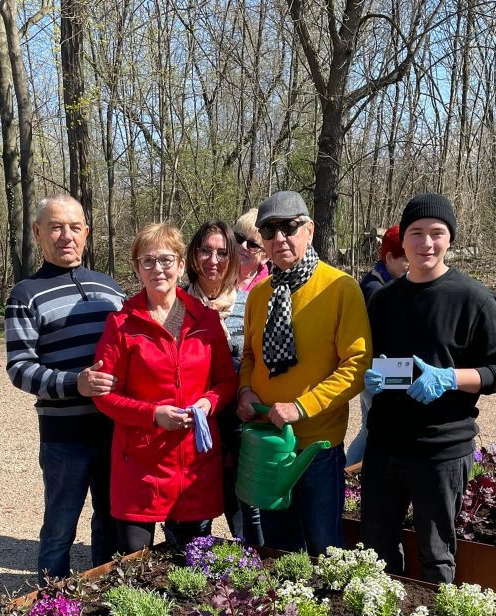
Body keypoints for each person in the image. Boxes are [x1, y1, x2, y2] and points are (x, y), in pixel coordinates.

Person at [361, 193, 496, 583]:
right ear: (402, 240)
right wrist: (370, 375)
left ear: (450, 239)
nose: (426, 243)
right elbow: (371, 357)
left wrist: (450, 378)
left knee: (436, 554)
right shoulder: (383, 301)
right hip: (384, 445)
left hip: (441, 450)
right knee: (376, 551)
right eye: (416, 233)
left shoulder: (473, 299)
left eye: (437, 233)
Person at [237, 190, 371, 555]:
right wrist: (246, 390)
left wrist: (301, 407)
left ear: (309, 230)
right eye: (269, 231)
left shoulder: (339, 287)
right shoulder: (259, 294)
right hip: (269, 442)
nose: (279, 237)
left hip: (315, 448)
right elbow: (249, 356)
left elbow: (357, 365)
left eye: (289, 227)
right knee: (279, 552)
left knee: (325, 551)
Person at [93, 223, 237, 553]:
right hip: (139, 463)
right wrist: (153, 414)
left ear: (182, 265)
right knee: (134, 562)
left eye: (166, 260)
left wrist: (209, 403)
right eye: (148, 261)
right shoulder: (121, 325)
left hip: (194, 463)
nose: (158, 269)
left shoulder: (206, 321)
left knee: (191, 562)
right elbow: (105, 396)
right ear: (137, 269)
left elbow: (228, 381)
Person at [5, 194, 124, 584]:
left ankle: (106, 591)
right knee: (60, 528)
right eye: (55, 227)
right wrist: (76, 383)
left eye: (74, 227)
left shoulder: (111, 289)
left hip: (114, 430)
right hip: (64, 435)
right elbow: (20, 368)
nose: (66, 236)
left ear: (86, 233)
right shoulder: (26, 295)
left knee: (111, 521)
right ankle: (51, 604)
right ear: (38, 232)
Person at [184, 221, 263, 546]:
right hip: (195, 417)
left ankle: (255, 560)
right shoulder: (177, 305)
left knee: (249, 500)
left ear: (232, 258)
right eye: (205, 251)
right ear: (193, 255)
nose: (213, 260)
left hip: (240, 415)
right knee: (196, 500)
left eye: (221, 252)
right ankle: (194, 559)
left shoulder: (250, 303)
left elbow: (257, 358)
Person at [347, 225, 409, 465]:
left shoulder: (383, 280)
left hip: (381, 367)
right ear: (389, 257)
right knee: (372, 428)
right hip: (377, 369)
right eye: (405, 259)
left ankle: (350, 473)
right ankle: (348, 472)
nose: (410, 265)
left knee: (368, 427)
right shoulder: (375, 289)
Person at [233, 208, 270, 292]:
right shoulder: (216, 273)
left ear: (265, 256)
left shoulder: (268, 289)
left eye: (252, 244)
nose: (243, 245)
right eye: (239, 238)